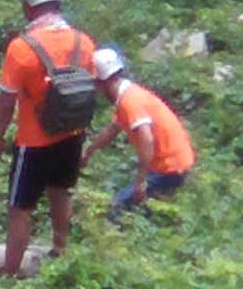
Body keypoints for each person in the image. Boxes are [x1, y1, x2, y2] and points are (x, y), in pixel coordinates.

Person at [0, 0, 96, 275]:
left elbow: (7, 100)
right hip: (72, 132)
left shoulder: (21, 48)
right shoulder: (84, 41)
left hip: (33, 142)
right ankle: (61, 251)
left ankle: (10, 273)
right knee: (61, 192)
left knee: (19, 209)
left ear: (28, 5)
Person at [83, 45, 195, 218]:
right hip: (170, 163)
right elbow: (113, 129)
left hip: (170, 167)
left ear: (101, 81)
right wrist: (89, 152)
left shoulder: (130, 102)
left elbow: (146, 140)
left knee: (116, 210)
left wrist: (141, 180)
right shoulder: (129, 95)